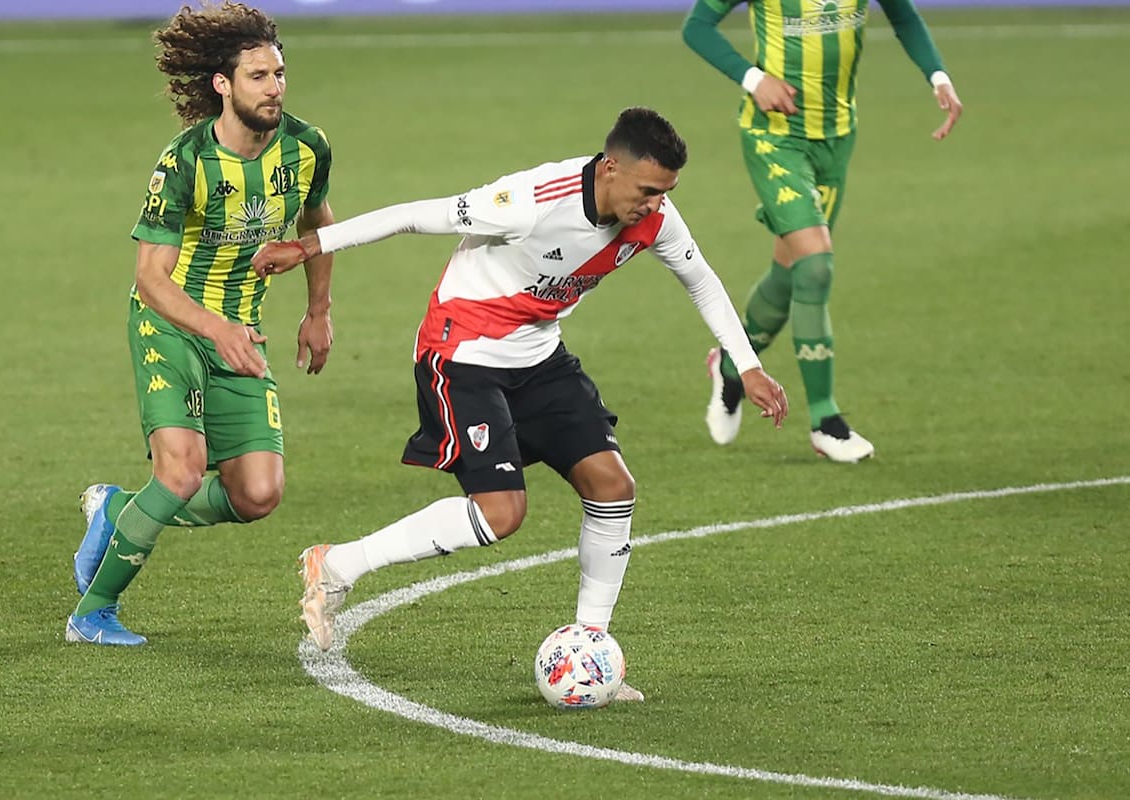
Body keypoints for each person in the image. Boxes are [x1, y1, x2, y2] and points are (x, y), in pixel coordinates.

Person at [252, 107, 789, 700]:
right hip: (462, 353)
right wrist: (310, 245)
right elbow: (413, 215)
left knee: (613, 487)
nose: (655, 205)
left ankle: (590, 653)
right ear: (610, 168)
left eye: (665, 193)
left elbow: (701, 280)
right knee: (500, 514)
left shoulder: (655, 217)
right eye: (647, 191)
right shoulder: (529, 201)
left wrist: (749, 366)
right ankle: (338, 565)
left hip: (538, 355)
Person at [65, 1, 335, 646]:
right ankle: (92, 615)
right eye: (258, 77)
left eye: (279, 74)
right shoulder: (184, 162)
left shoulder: (306, 147)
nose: (274, 88)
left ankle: (117, 509)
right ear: (223, 84)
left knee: (257, 495)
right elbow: (150, 278)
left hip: (242, 328)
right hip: (173, 323)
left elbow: (317, 226)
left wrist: (318, 310)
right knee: (182, 471)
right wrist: (215, 328)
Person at [681, 0, 963, 462]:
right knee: (815, 265)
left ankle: (731, 366)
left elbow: (904, 16)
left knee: (790, 273)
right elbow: (697, 26)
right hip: (775, 137)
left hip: (836, 139)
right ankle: (825, 422)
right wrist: (754, 79)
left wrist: (939, 77)